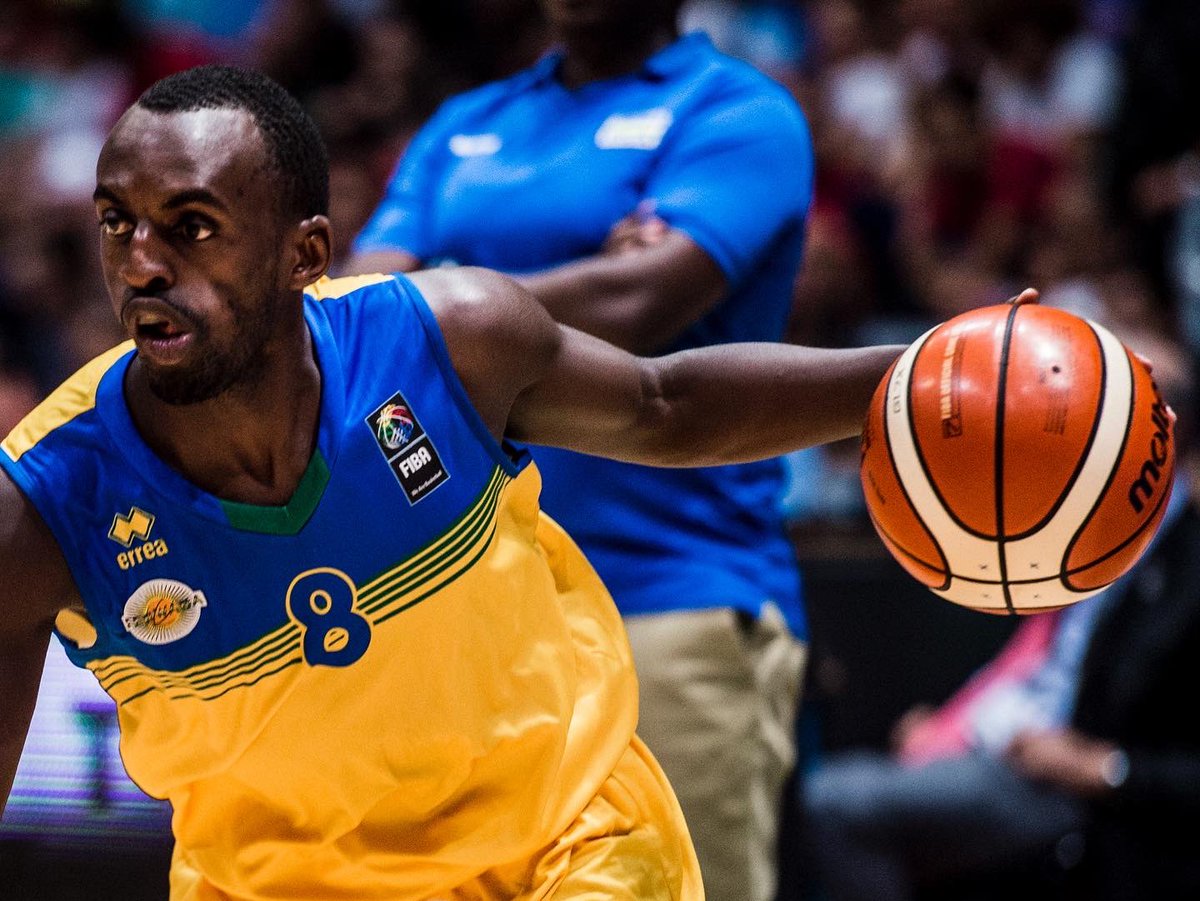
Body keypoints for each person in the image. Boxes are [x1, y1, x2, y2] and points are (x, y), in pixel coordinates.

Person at [0, 65, 905, 901]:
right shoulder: (42, 506)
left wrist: (909, 374)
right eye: (118, 220)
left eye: (192, 226)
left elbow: (665, 403)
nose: (142, 264)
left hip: (570, 845)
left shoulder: (449, 341)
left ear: (305, 256)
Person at [348, 3, 815, 897]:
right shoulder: (467, 123)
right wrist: (570, 275)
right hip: (467, 624)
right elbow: (356, 310)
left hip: (672, 600)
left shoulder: (737, 112)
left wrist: (442, 290)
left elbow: (641, 302)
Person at [801, 458, 1200, 901]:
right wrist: (951, 726)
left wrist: (1106, 768)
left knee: (834, 800)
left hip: (1071, 781)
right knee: (842, 789)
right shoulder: (1092, 537)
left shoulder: (1177, 556)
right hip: (1008, 738)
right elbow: (1028, 662)